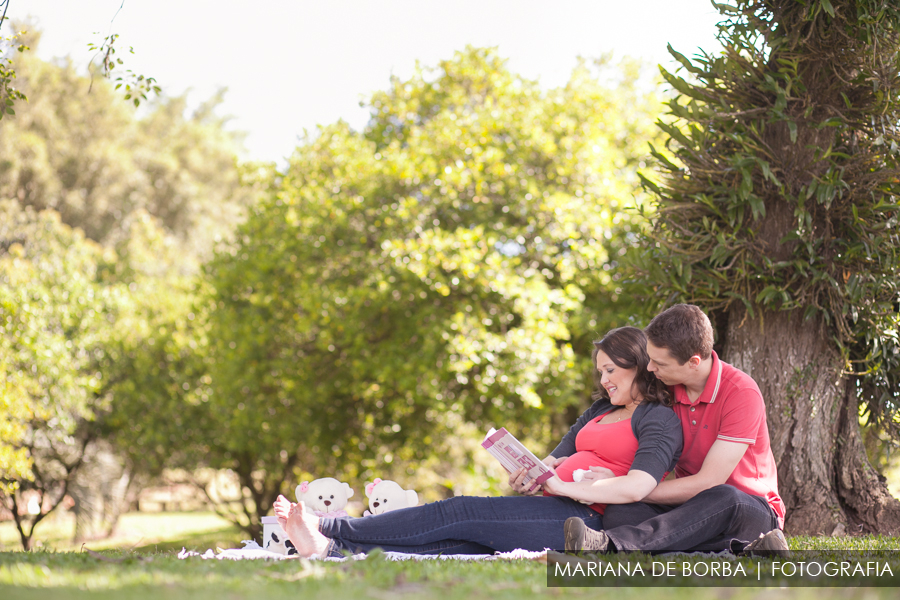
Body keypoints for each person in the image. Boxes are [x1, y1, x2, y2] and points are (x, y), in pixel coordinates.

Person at [273, 326, 683, 557]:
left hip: (587, 520)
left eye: (611, 370)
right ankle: (331, 549)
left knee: (459, 509)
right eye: (600, 372)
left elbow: (639, 485)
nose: (604, 380)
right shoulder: (598, 412)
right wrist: (529, 476)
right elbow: (552, 461)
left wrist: (562, 486)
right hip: (551, 502)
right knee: (458, 540)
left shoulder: (659, 419)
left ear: (639, 366)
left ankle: (330, 524)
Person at [564, 304, 788, 555]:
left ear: (693, 362)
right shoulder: (666, 388)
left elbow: (708, 482)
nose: (649, 369)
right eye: (650, 359)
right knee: (621, 512)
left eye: (659, 363)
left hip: (749, 509)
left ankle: (610, 545)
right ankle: (746, 550)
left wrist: (633, 488)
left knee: (725, 496)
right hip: (688, 508)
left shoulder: (740, 392)